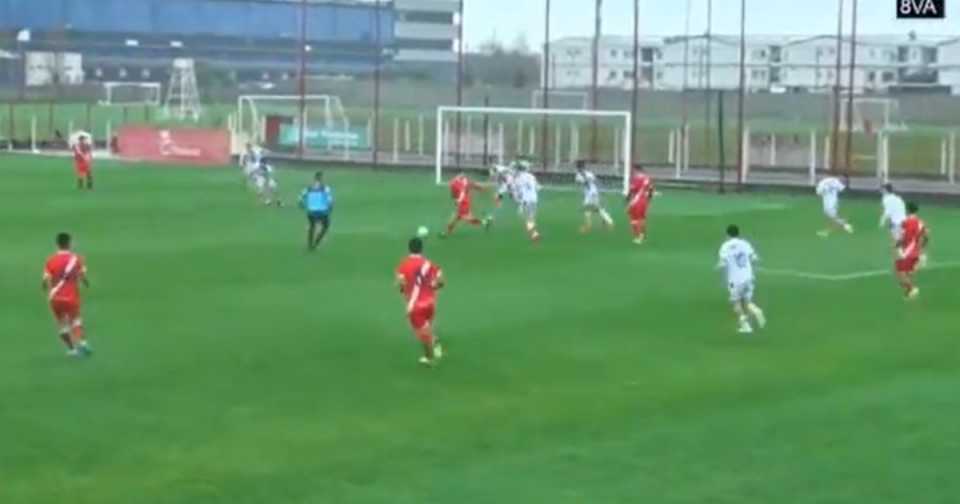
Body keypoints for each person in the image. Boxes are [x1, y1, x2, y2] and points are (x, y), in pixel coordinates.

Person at [395, 237, 445, 367]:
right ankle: (435, 342)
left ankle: (430, 358)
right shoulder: (429, 263)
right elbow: (440, 281)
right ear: (421, 248)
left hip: (415, 306)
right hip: (430, 303)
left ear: (409, 248)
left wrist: (403, 291)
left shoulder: (403, 265)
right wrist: (433, 287)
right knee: (427, 326)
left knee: (422, 334)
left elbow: (400, 283)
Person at [42, 232, 92, 357]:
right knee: (75, 321)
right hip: (71, 297)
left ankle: (72, 350)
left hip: (55, 298)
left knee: (62, 324)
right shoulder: (76, 259)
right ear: (69, 243)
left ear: (57, 244)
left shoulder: (51, 260)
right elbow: (82, 276)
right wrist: (86, 283)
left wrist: (47, 289)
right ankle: (82, 342)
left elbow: (45, 280)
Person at [717, 225, 766, 334]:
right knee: (747, 301)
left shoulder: (725, 246)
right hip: (748, 277)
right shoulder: (745, 243)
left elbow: (723, 263)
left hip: (735, 280)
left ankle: (746, 326)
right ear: (738, 233)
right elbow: (754, 258)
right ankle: (756, 310)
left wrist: (719, 267)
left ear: (727, 234)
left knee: (736, 302)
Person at [894, 202, 929, 300]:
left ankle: (912, 289)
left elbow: (901, 237)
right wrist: (922, 249)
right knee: (907, 272)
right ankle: (909, 291)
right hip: (916, 251)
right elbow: (926, 236)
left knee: (900, 272)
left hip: (906, 252)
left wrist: (897, 246)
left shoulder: (905, 222)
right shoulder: (920, 222)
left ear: (907, 210)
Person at [441, 173, 489, 237]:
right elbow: (475, 186)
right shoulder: (464, 182)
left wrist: (458, 200)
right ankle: (448, 231)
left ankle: (484, 222)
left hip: (463, 203)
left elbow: (460, 193)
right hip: (464, 202)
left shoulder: (455, 183)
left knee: (465, 218)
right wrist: (482, 189)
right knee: (456, 217)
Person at [574, 160, 614, 233]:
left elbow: (591, 182)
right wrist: (601, 190)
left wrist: (601, 189)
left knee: (591, 209)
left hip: (591, 194)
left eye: (578, 167)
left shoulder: (583, 175)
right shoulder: (585, 174)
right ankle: (607, 222)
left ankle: (590, 226)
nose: (577, 169)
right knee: (596, 209)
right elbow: (594, 182)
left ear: (579, 167)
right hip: (591, 193)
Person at [299, 171, 334, 250]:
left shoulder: (309, 187)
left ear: (314, 178)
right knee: (325, 226)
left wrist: (301, 204)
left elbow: (301, 196)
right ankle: (316, 242)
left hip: (311, 211)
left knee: (312, 227)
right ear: (321, 178)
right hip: (322, 211)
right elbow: (329, 199)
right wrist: (330, 207)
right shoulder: (325, 187)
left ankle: (310, 244)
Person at [626, 165, 654, 244]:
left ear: (636, 170)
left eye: (634, 170)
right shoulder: (647, 178)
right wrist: (649, 199)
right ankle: (643, 236)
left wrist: (627, 199)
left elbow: (632, 190)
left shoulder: (636, 179)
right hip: (644, 201)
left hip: (636, 201)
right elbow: (651, 189)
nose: (633, 172)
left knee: (634, 219)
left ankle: (638, 238)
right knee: (642, 219)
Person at [513, 163, 541, 242]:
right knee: (531, 216)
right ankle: (534, 232)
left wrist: (517, 199)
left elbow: (517, 191)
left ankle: (534, 233)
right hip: (534, 199)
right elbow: (538, 187)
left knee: (523, 215)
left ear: (519, 170)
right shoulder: (531, 176)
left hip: (526, 200)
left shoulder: (518, 178)